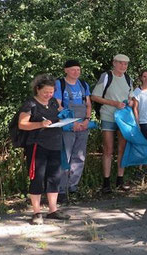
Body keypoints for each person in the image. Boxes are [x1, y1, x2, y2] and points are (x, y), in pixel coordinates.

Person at [18, 74, 71, 224]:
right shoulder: (30, 104)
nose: (49, 95)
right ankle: (36, 213)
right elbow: (22, 124)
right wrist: (40, 125)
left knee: (54, 177)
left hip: (55, 144)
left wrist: (66, 118)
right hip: (37, 145)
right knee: (37, 178)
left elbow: (61, 114)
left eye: (52, 91)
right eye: (46, 92)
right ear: (37, 89)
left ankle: (52, 210)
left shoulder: (53, 102)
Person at [91, 54, 135, 194]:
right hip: (108, 115)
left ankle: (120, 180)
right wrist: (114, 103)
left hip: (123, 118)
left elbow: (131, 98)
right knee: (108, 150)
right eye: (121, 63)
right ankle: (106, 182)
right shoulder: (106, 76)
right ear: (114, 63)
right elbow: (94, 97)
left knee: (122, 149)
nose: (123, 66)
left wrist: (130, 103)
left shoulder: (128, 79)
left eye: (126, 64)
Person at [54, 59, 92, 202]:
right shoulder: (59, 84)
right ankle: (61, 190)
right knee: (65, 157)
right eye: (73, 69)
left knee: (79, 156)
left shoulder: (83, 85)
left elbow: (88, 104)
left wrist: (87, 120)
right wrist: (72, 123)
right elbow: (58, 106)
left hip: (83, 125)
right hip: (67, 125)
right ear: (66, 70)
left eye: (78, 69)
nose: (76, 72)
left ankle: (73, 187)